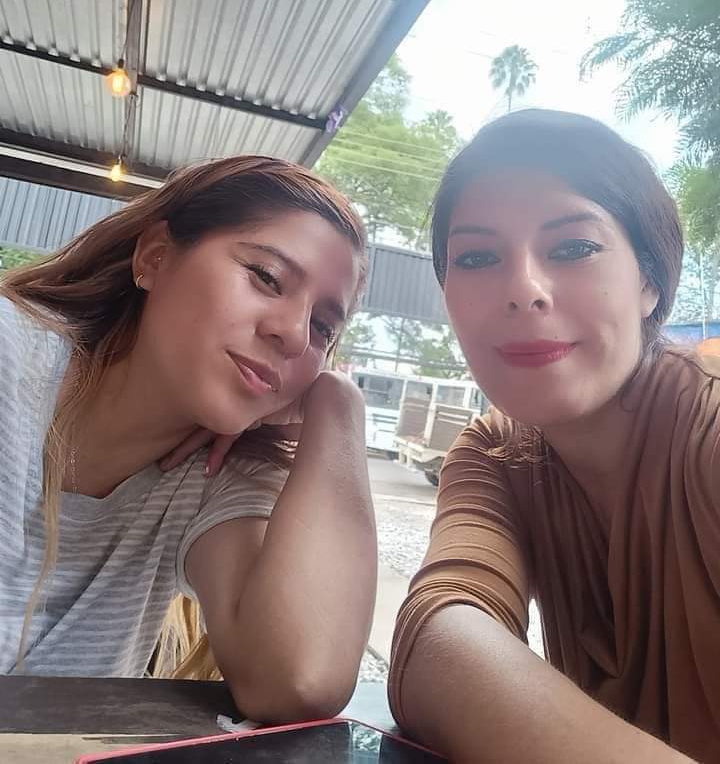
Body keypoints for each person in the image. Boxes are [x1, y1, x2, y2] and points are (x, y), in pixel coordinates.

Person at [389, 110, 720, 763]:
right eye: (477, 257)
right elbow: (438, 640)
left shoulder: (706, 430)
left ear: (650, 280)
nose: (524, 290)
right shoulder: (494, 454)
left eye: (572, 248)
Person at [0, 156, 377, 724]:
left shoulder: (216, 472)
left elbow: (299, 680)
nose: (295, 335)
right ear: (155, 258)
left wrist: (338, 407)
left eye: (324, 326)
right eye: (266, 277)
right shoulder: (11, 358)